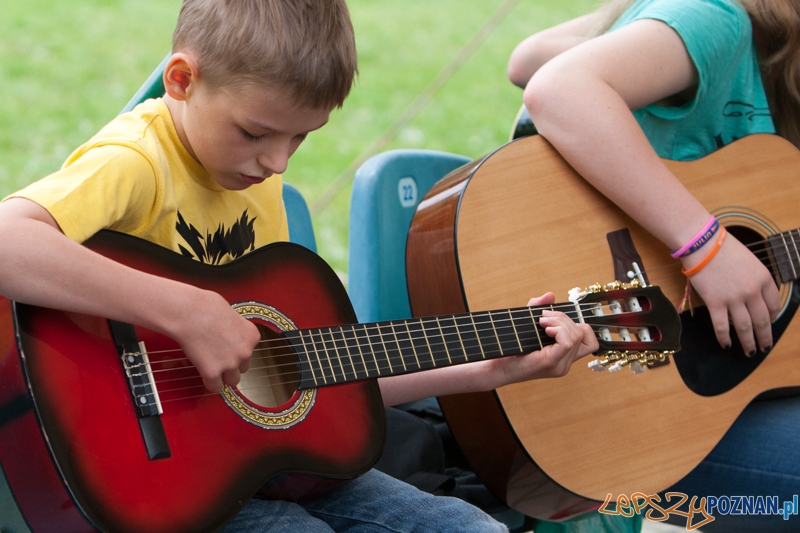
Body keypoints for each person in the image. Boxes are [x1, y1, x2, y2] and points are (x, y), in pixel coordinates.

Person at [0, 1, 598, 531]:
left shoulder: (255, 186)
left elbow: (310, 384)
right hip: (144, 482)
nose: (277, 161)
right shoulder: (137, 161)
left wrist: (480, 370)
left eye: (301, 138)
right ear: (182, 80)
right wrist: (184, 309)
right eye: (255, 131)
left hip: (246, 470)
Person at [508, 0, 800, 531]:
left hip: (711, 391)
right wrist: (706, 246)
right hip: (608, 394)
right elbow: (556, 87)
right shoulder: (720, 18)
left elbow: (529, 56)